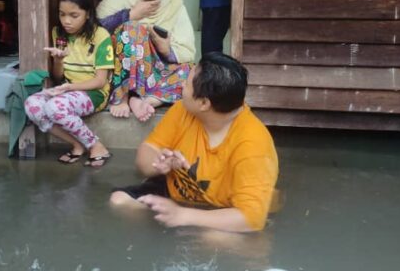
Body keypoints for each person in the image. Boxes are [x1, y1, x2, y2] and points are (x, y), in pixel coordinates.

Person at [110, 53, 279, 233]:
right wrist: (158, 164)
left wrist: (183, 216)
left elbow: (251, 219)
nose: (182, 84)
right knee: (119, 201)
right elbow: (146, 152)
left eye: (187, 84)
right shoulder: (183, 110)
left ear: (204, 103)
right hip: (175, 192)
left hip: (222, 209)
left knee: (215, 238)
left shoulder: (254, 145)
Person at [97, 0, 195, 122]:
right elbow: (96, 27)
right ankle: (123, 97)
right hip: (120, 70)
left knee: (191, 73)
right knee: (132, 30)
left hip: (155, 72)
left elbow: (187, 50)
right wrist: (131, 14)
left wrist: (167, 50)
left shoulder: (174, 3)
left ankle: (144, 100)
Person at [24, 0, 113, 168]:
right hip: (67, 90)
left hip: (94, 93)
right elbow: (58, 77)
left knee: (56, 107)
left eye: (74, 15)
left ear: (88, 13)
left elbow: (100, 81)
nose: (67, 21)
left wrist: (69, 87)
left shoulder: (100, 36)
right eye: (62, 14)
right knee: (32, 105)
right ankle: (76, 144)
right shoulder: (59, 33)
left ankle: (96, 146)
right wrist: (58, 61)